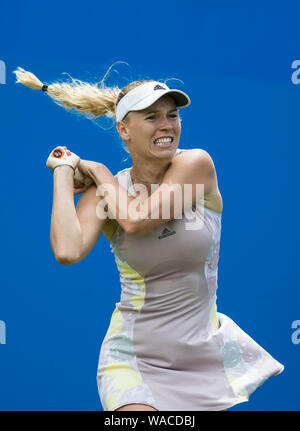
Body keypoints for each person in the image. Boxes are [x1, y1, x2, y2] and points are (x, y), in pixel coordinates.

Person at [14, 66, 284, 411]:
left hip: (200, 359)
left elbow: (137, 220)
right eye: (152, 117)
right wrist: (64, 174)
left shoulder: (196, 165)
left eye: (172, 115)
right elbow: (67, 250)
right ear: (124, 130)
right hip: (132, 359)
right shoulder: (107, 193)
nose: (167, 125)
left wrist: (96, 171)